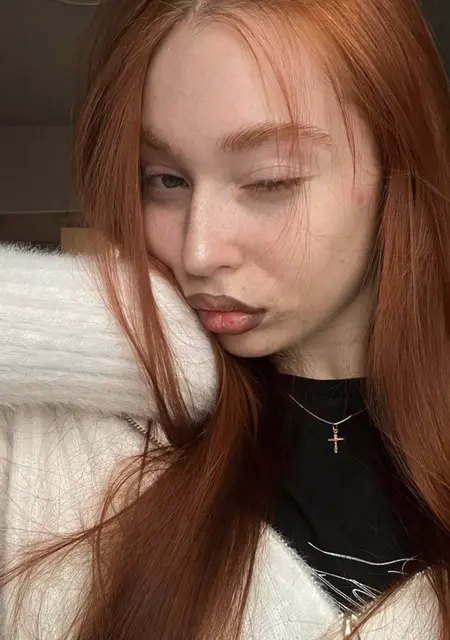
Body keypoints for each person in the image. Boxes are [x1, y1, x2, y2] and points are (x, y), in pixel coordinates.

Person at [0, 0, 449, 638]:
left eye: (269, 180)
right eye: (165, 180)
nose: (198, 252)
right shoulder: (65, 440)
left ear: (396, 170)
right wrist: (98, 325)